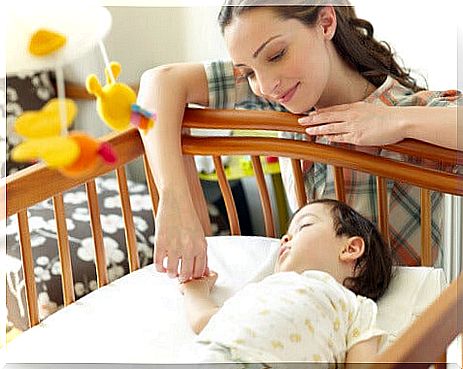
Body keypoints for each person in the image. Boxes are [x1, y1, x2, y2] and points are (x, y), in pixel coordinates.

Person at [136, 1, 462, 281]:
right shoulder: (284, 99)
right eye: (248, 72)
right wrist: (173, 198)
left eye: (276, 55)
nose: (265, 86)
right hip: (306, 309)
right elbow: (154, 87)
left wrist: (393, 121)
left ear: (325, 23)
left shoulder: (407, 113)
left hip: (399, 333)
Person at [179, 199, 393, 365]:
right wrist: (195, 291)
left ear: (350, 249)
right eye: (286, 234)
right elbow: (207, 320)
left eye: (304, 225)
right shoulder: (264, 287)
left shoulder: (354, 307)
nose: (285, 238)